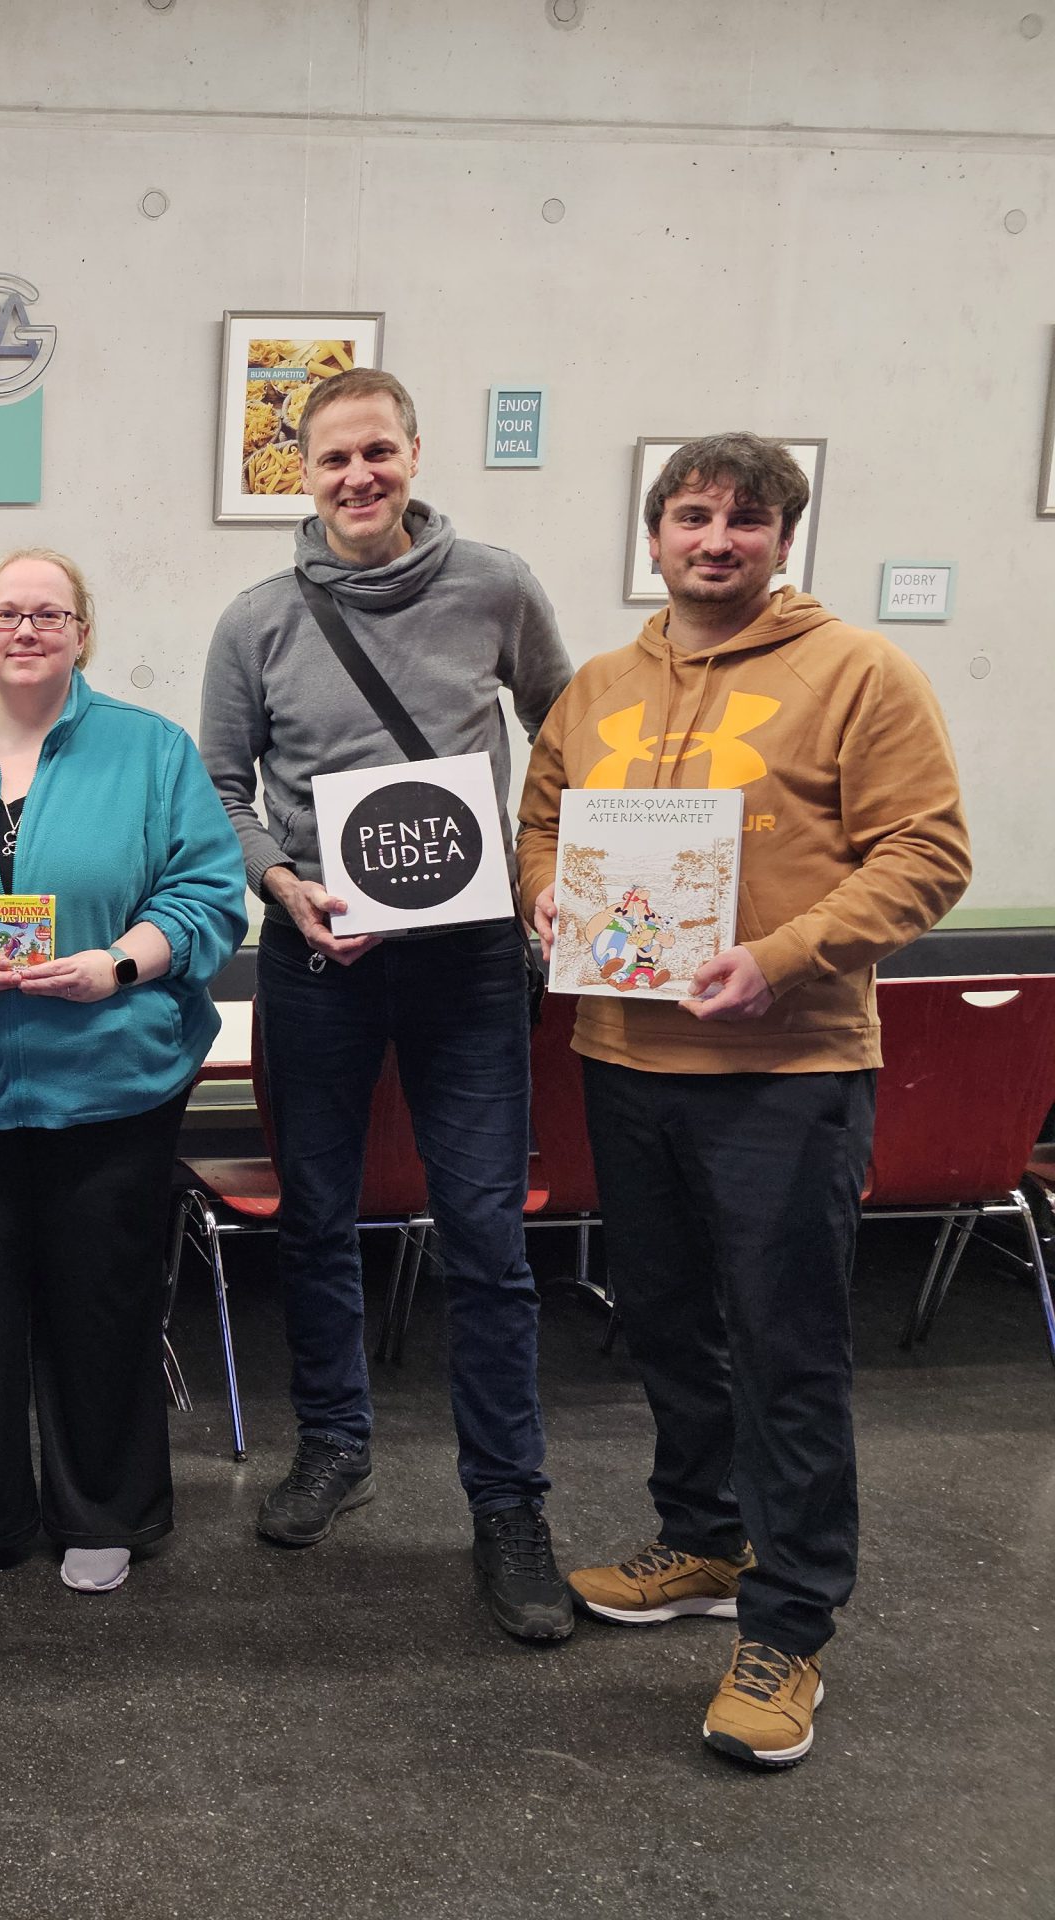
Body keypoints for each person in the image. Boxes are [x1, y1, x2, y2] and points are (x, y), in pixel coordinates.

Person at [517, 433, 969, 1768]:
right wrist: (544, 894)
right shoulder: (597, 686)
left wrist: (781, 957)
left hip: (788, 1070)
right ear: (654, 534)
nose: (717, 540)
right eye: (693, 516)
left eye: (746, 519)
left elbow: (928, 851)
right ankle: (704, 1540)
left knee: (788, 1350)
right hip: (624, 1060)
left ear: (782, 538)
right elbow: (541, 822)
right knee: (664, 1323)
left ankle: (789, 1626)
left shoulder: (859, 673)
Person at [198, 367, 579, 1642]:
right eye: (332, 459)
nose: (356, 476)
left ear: (413, 452)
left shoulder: (497, 586)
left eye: (376, 451)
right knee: (316, 1220)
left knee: (484, 1237)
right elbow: (220, 785)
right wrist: (280, 881)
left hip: (469, 965)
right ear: (301, 476)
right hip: (320, 958)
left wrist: (539, 870)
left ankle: (509, 1506)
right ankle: (333, 1445)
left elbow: (564, 738)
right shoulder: (258, 619)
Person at [0, 550, 248, 1595]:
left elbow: (210, 893)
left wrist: (118, 964)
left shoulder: (152, 750)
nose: (26, 630)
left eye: (49, 614)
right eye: (6, 612)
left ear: (83, 633)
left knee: (102, 1307)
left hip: (110, 1082)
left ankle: (105, 1507)